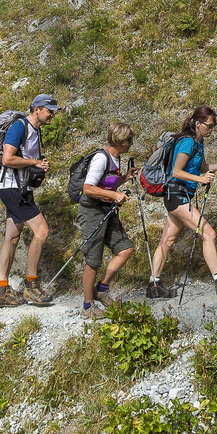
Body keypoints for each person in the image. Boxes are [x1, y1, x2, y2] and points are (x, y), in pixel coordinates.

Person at [146, 105, 217, 299]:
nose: (212, 129)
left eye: (213, 126)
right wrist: (201, 180)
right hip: (176, 194)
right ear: (197, 124)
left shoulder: (199, 143)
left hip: (179, 195)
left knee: (168, 240)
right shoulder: (187, 143)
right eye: (209, 126)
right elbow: (176, 171)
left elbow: (202, 166)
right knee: (209, 233)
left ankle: (154, 285)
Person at [0, 94, 60, 307]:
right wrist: (35, 162)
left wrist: (38, 166)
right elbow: (7, 158)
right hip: (13, 189)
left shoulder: (35, 131)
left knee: (12, 238)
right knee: (42, 232)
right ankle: (31, 287)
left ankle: (2, 291)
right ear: (37, 109)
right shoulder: (19, 127)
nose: (52, 115)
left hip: (19, 188)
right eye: (50, 111)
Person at [78, 122, 136, 319]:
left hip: (106, 210)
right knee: (93, 260)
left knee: (125, 249)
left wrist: (126, 177)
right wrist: (114, 196)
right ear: (120, 141)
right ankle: (87, 306)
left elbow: (109, 182)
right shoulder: (101, 159)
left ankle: (101, 289)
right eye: (129, 140)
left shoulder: (115, 158)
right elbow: (88, 188)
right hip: (92, 211)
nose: (131, 143)